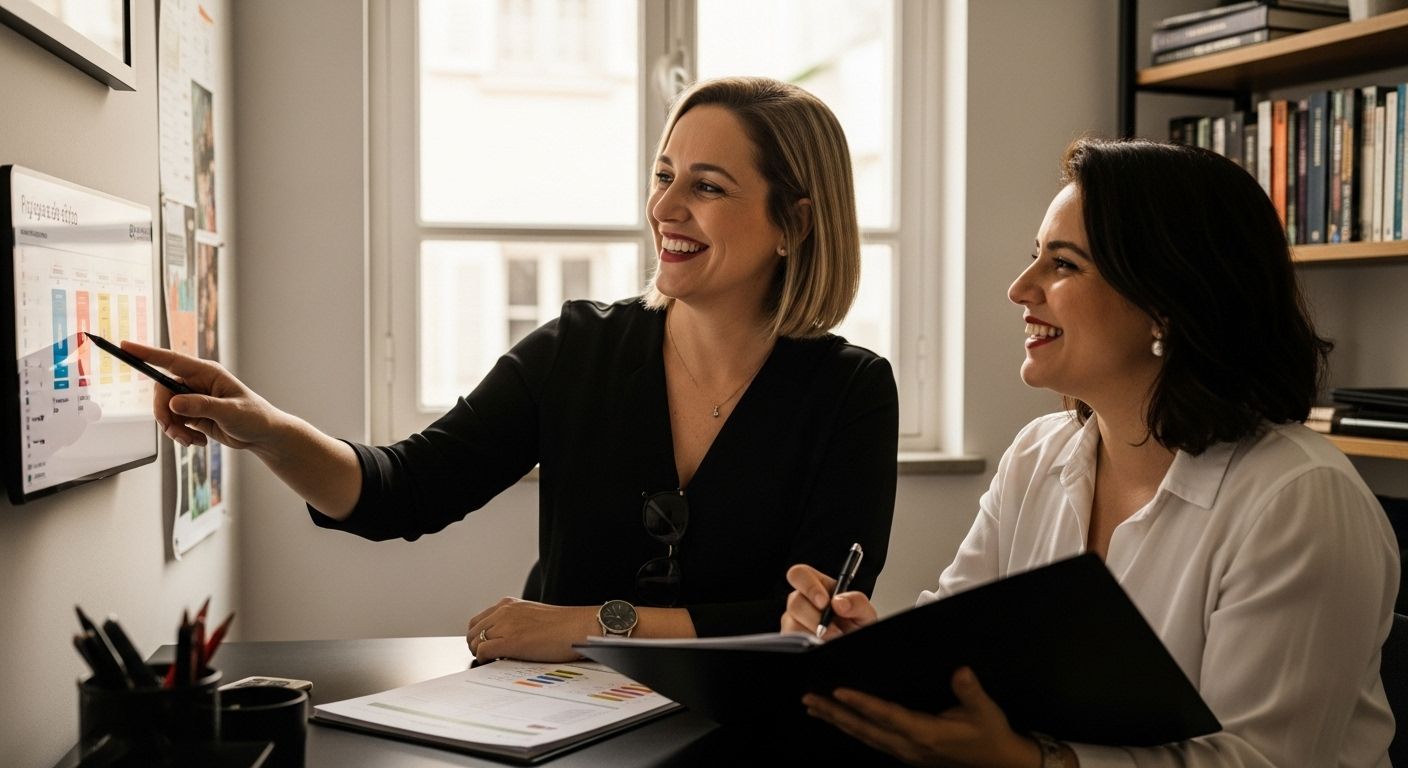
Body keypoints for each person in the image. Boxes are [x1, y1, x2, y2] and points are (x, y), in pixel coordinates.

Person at [127, 76, 899, 663]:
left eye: (707, 187)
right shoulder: (575, 348)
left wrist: (591, 625)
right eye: (664, 176)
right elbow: (404, 490)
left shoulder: (852, 392)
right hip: (559, 720)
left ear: (794, 221)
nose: (666, 208)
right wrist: (267, 432)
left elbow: (803, 616)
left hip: (750, 729)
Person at [782, 137, 1399, 766]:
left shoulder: (1299, 500)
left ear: (1166, 300)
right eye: (1035, 259)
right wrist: (876, 656)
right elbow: (956, 645)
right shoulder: (1036, 457)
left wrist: (1034, 763)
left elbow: (1262, 762)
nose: (1021, 289)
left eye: (1063, 264)